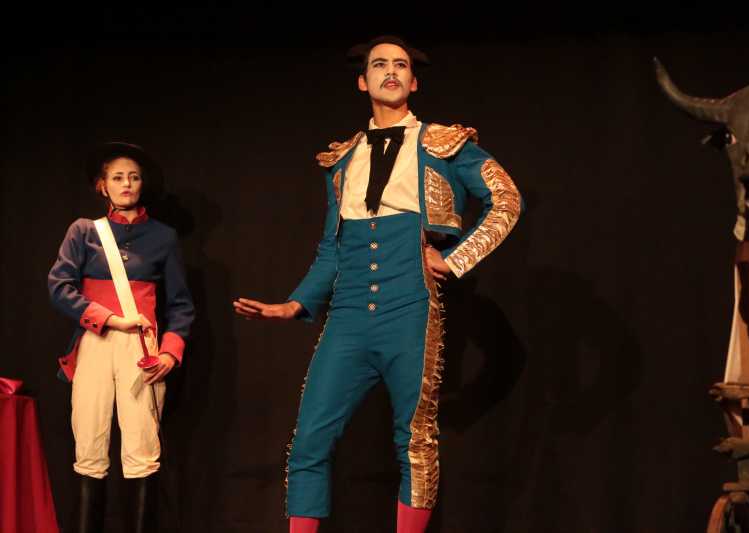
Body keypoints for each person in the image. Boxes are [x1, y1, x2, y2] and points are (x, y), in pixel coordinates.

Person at [234, 35, 523, 533]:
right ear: (362, 81)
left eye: (401, 65)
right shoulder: (342, 161)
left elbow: (507, 199)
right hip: (347, 313)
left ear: (414, 82)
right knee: (308, 443)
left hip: (409, 305)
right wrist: (295, 304)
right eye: (379, 64)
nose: (391, 71)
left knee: (414, 441)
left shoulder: (443, 143)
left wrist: (456, 259)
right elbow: (331, 249)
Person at [48, 142, 195, 533]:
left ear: (142, 184)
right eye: (117, 177)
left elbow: (180, 305)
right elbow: (59, 287)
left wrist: (170, 354)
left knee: (143, 451)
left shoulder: (163, 237)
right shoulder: (83, 231)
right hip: (94, 342)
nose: (126, 184)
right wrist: (110, 319)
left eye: (133, 177)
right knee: (89, 449)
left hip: (141, 349)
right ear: (103, 185)